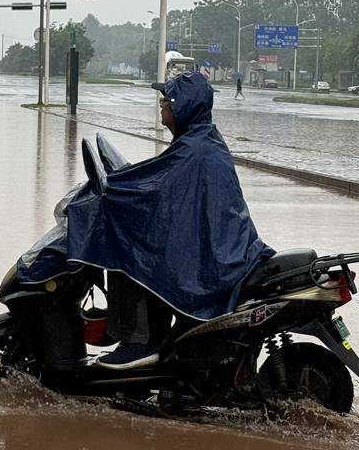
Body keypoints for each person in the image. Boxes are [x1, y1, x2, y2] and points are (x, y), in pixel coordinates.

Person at [63, 72, 271, 369]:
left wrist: (115, 191)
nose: (162, 103)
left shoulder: (194, 150)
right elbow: (156, 181)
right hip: (222, 246)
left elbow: (155, 183)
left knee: (125, 248)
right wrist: (121, 182)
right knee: (140, 241)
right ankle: (154, 336)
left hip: (216, 257)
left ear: (184, 105)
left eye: (167, 98)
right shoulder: (199, 141)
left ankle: (138, 342)